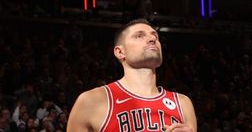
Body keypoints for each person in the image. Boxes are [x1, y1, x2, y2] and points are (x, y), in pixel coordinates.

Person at [66, 20, 197, 132]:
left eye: (155, 36)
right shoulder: (92, 100)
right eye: (139, 36)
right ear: (120, 52)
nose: (152, 39)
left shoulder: (182, 103)